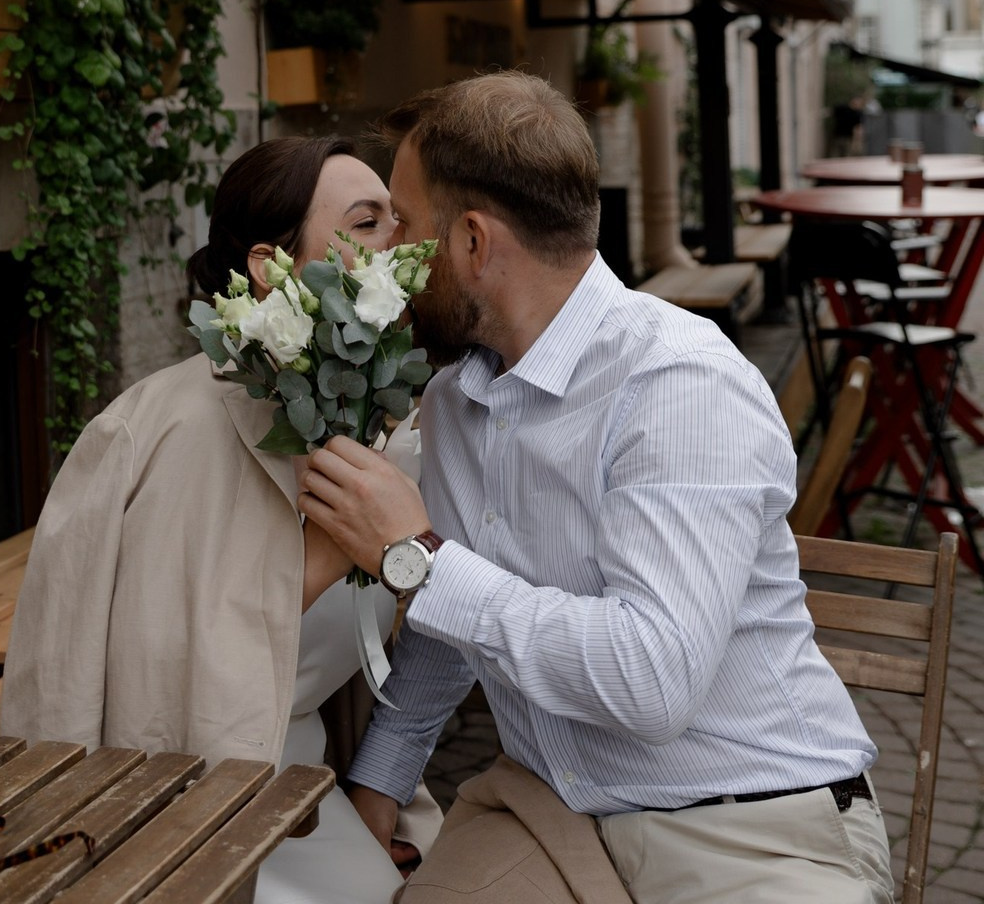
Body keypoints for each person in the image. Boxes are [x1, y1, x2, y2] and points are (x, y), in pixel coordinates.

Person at [299, 72, 894, 904]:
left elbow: (651, 684)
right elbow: (449, 625)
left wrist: (419, 557)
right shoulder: (452, 398)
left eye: (403, 222)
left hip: (751, 830)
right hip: (551, 809)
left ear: (472, 242)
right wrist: (379, 784)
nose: (385, 250)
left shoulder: (678, 384)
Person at [0, 135, 441, 904]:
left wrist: (378, 793)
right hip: (162, 814)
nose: (398, 243)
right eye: (369, 222)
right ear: (274, 269)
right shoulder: (152, 435)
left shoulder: (393, 433)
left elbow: (418, 654)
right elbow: (72, 679)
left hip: (305, 798)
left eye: (398, 221)